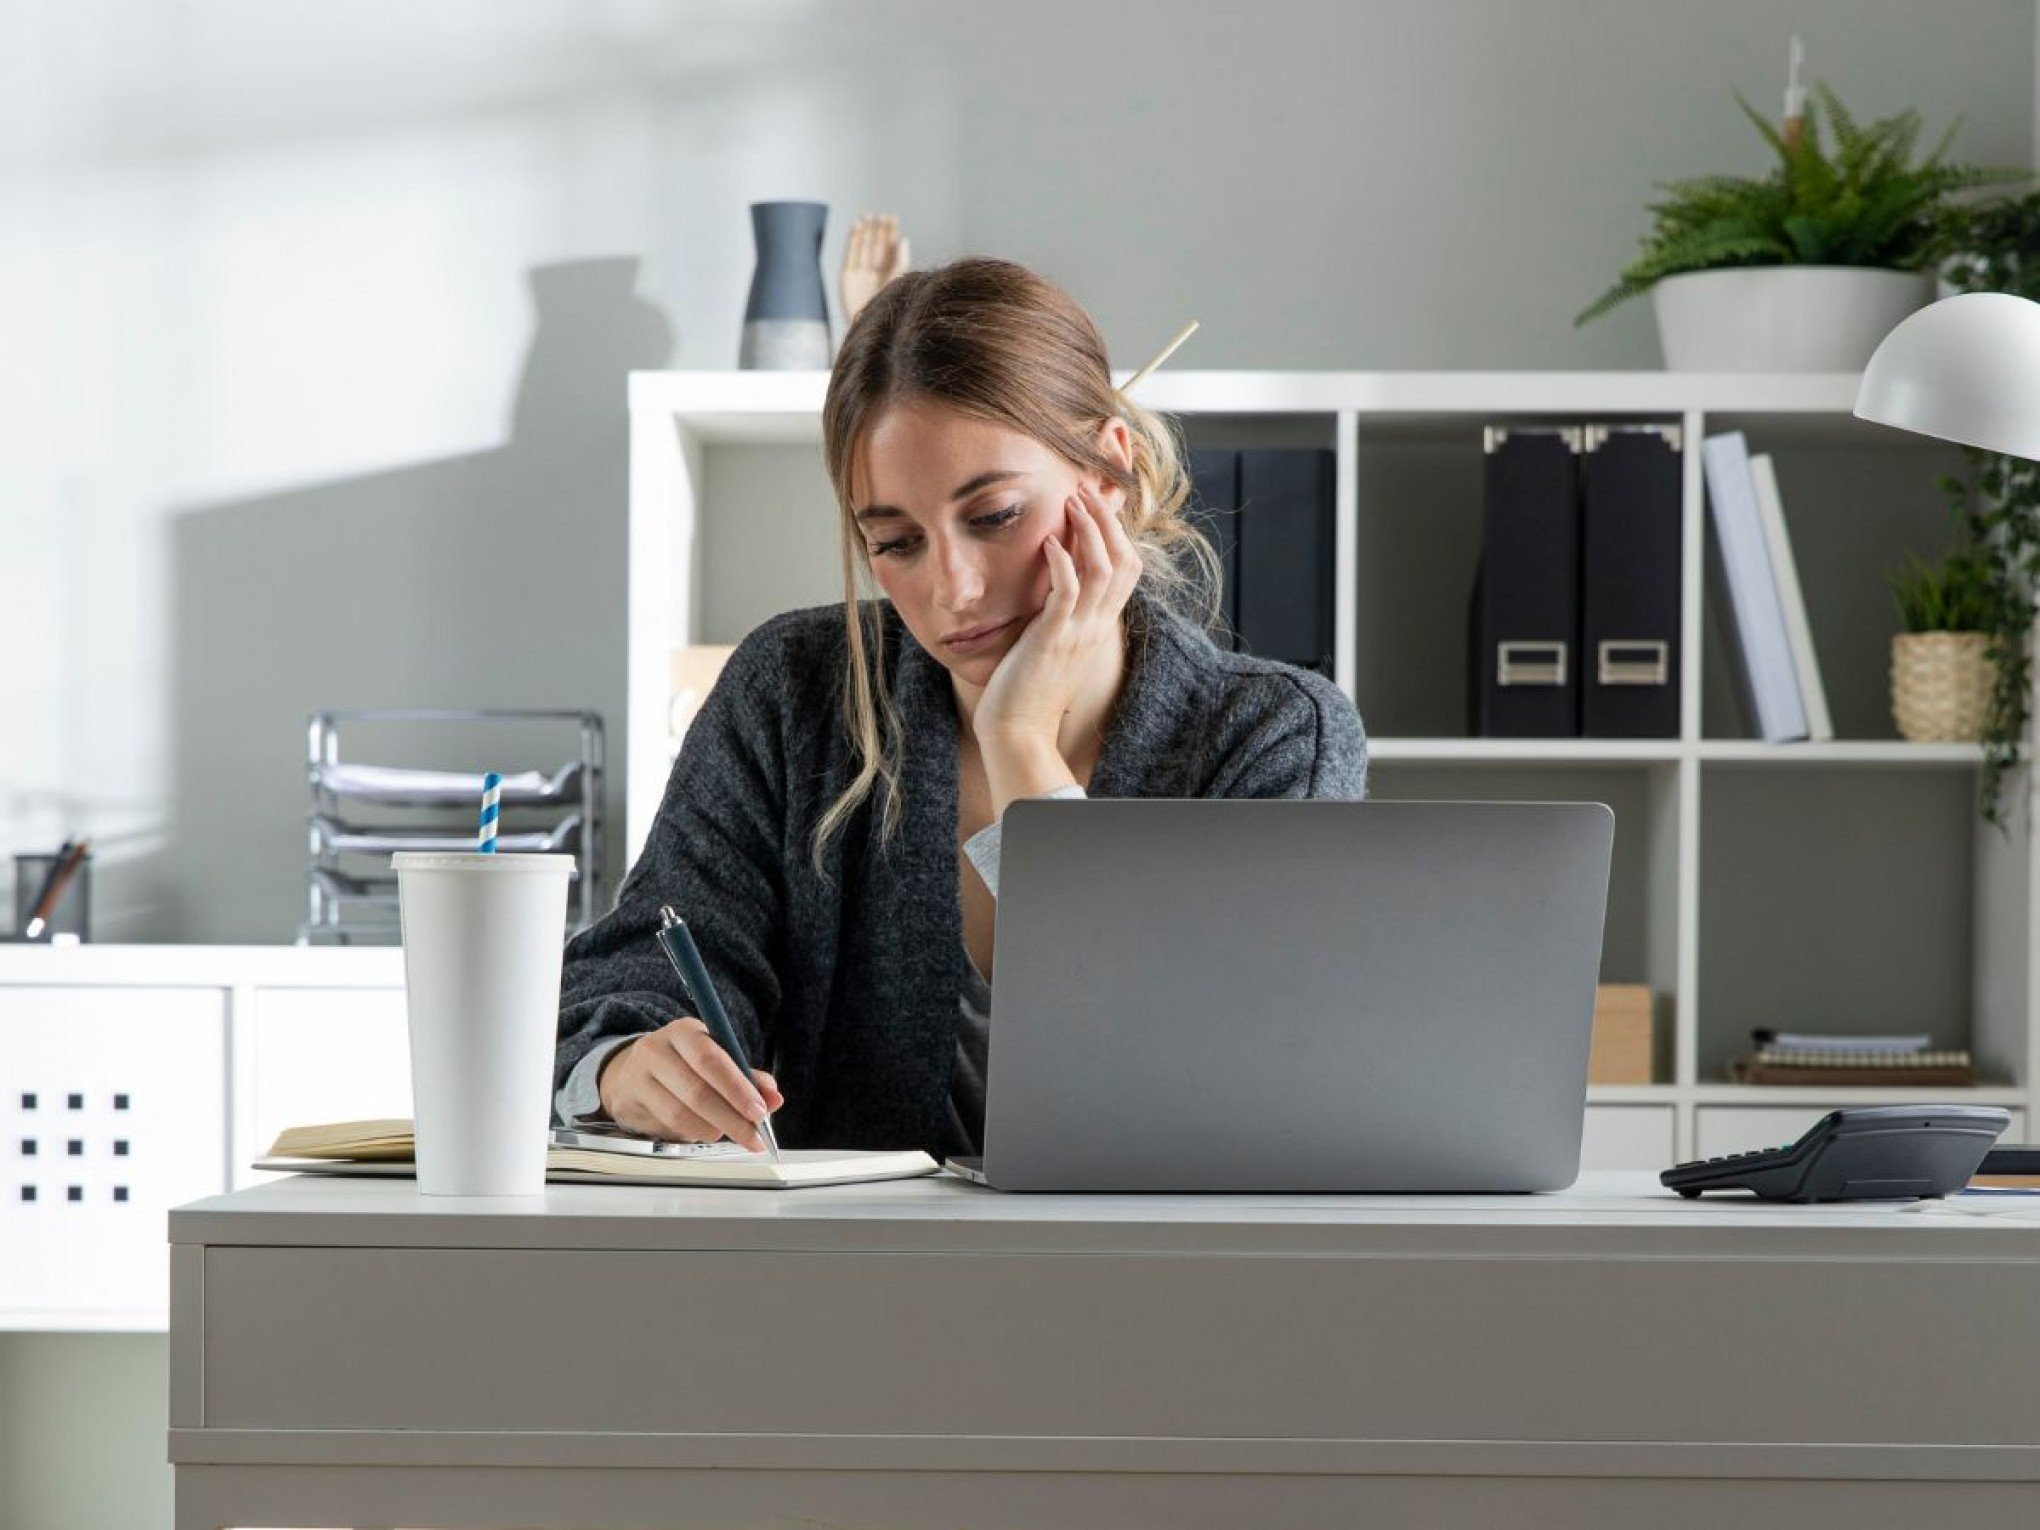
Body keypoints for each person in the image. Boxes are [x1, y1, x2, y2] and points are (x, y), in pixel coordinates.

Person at [554, 256, 1368, 1160]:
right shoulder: (793, 688)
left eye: (994, 516)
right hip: (844, 1284)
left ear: (1110, 473)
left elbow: (1213, 1075)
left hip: (1152, 1281)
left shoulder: (1276, 735)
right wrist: (626, 1067)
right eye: (896, 543)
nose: (954, 590)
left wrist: (1020, 741)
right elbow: (627, 976)